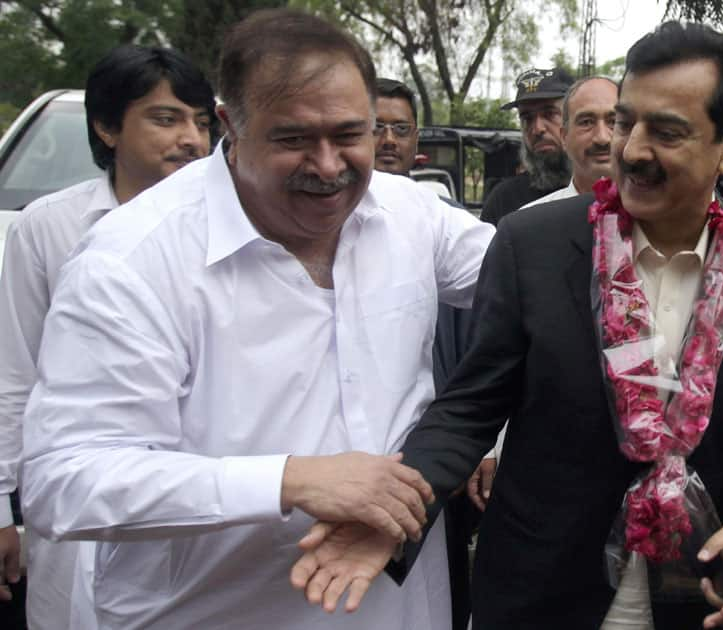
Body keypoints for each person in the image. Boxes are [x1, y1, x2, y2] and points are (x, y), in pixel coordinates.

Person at [292, 21, 723, 630]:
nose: (632, 150)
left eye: (667, 132)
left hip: (692, 597)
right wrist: (394, 513)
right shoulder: (533, 245)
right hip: (540, 591)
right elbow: (470, 408)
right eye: (627, 122)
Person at [19, 9, 493, 629]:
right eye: (293, 139)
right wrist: (288, 481)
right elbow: (65, 481)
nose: (327, 166)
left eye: (350, 135)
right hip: (209, 613)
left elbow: (529, 288)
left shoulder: (411, 214)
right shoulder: (133, 260)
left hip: (397, 608)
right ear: (230, 126)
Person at [0, 44, 215, 629]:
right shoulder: (48, 228)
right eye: (166, 119)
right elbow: (16, 375)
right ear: (107, 126)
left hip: (199, 501)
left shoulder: (234, 231)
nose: (192, 140)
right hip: (82, 504)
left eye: (202, 122)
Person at [371, 75, 481, 630]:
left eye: (399, 128)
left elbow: (491, 338)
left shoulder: (439, 222)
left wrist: (464, 448)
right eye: (372, 126)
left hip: (434, 470)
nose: (385, 139)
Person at [479, 67, 573, 225]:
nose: (537, 129)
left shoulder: (604, 191)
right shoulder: (503, 200)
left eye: (549, 114)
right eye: (527, 118)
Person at [521, 76, 618, 208]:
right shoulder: (529, 222)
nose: (602, 138)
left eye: (614, 122)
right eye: (586, 122)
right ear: (564, 137)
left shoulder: (654, 217)